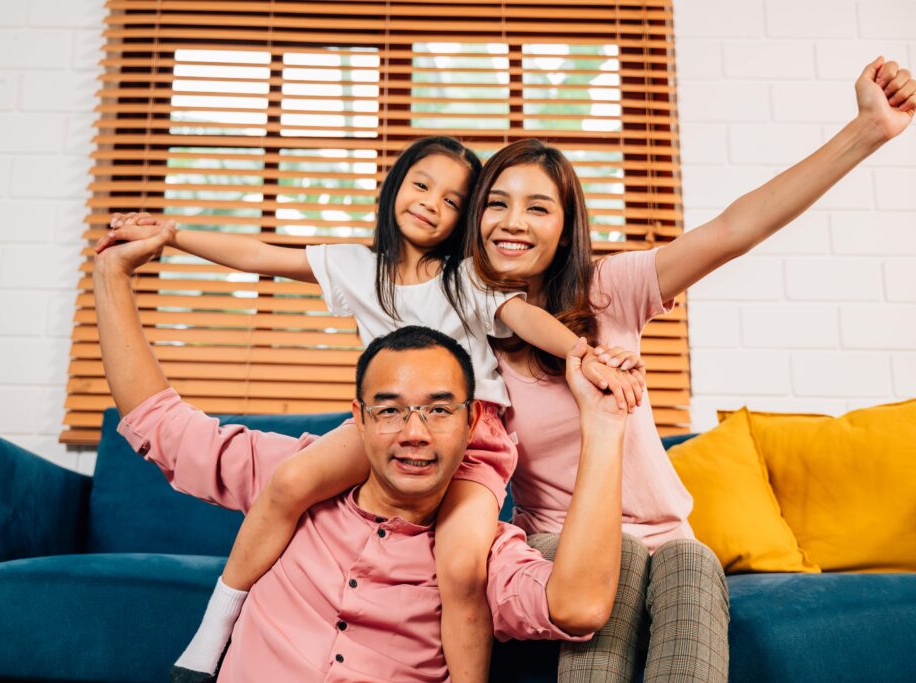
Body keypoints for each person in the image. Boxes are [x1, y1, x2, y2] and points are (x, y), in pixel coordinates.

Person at [98, 135, 645, 682]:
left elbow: (525, 319)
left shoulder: (468, 278)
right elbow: (262, 257)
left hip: (477, 439)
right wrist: (171, 236)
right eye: (422, 185)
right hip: (374, 441)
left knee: (460, 567)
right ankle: (208, 636)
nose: (432, 203)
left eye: (454, 201)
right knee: (289, 483)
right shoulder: (358, 268)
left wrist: (584, 355)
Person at [471, 57, 916, 682]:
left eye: (538, 208)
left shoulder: (606, 293)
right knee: (625, 560)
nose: (513, 222)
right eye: (497, 204)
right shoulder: (463, 338)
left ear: (566, 227)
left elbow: (735, 229)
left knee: (693, 562)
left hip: (670, 539)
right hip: (563, 549)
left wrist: (867, 129)